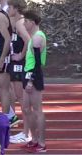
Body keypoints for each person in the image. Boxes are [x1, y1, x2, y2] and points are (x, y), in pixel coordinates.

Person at [20, 10, 47, 153]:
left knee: (37, 110)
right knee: (25, 108)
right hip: (27, 72)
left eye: (25, 21)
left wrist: (31, 80)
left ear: (31, 22)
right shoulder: (32, 37)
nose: (23, 24)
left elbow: (37, 62)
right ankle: (34, 139)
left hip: (33, 74)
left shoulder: (37, 38)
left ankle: (42, 143)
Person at [7, 0, 32, 143]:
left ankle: (26, 133)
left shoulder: (19, 23)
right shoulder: (17, 22)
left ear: (16, 8)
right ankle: (25, 131)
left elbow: (28, 40)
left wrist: (20, 55)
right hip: (17, 63)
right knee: (20, 97)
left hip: (20, 64)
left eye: (10, 7)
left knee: (22, 99)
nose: (8, 10)